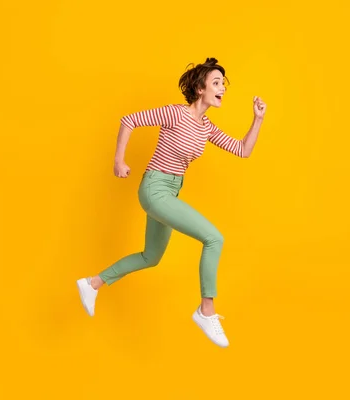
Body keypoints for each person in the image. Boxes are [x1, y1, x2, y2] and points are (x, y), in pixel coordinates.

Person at [77, 57, 266, 348]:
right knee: (214, 238)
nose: (222, 89)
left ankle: (93, 284)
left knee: (150, 257)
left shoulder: (206, 127)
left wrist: (258, 120)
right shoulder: (175, 114)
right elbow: (130, 120)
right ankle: (207, 310)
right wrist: (119, 160)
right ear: (200, 88)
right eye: (216, 83)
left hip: (172, 191)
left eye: (222, 85)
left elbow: (242, 150)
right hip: (155, 188)